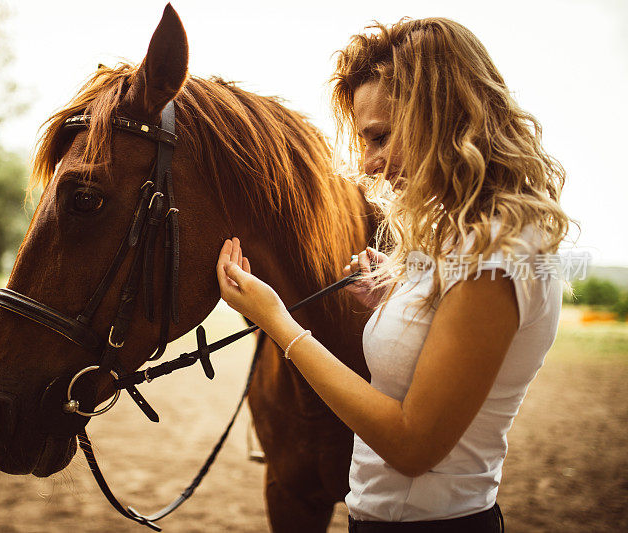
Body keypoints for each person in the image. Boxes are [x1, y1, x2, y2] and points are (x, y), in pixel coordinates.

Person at [216, 17, 571, 532]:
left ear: (443, 115)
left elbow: (412, 446)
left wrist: (280, 324)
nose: (369, 163)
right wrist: (401, 296)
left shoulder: (493, 256)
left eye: (379, 137)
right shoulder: (457, 237)